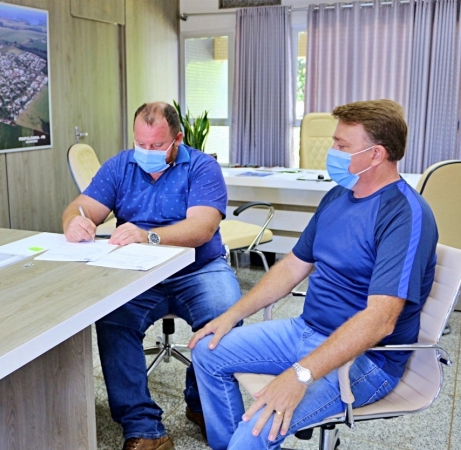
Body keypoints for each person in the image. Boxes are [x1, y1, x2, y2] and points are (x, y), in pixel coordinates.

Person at [189, 99, 438, 450]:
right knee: (207, 351)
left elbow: (381, 321)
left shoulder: (405, 215)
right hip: (307, 330)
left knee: (254, 430)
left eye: (341, 146)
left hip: (366, 358)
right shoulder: (338, 195)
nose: (331, 152)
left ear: (376, 155)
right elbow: (292, 266)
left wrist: (300, 374)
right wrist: (231, 316)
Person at [62, 102, 241, 450]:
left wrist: (150, 235)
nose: (146, 152)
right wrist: (76, 220)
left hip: (197, 268)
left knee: (225, 314)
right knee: (113, 318)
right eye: (140, 144)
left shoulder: (202, 167)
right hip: (139, 272)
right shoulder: (120, 165)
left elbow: (202, 228)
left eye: (156, 146)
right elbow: (81, 206)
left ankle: (201, 404)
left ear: (177, 138)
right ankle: (143, 427)